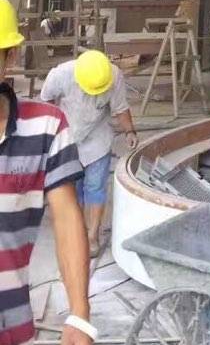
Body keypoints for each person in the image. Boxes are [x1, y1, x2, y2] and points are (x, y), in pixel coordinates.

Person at [0, 0, 95, 345]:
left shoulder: (46, 127)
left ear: (9, 58)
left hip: (10, 340)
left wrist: (79, 314)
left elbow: (67, 218)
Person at [41, 51, 138, 259]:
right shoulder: (60, 75)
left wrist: (130, 131)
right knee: (73, 190)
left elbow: (121, 108)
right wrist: (50, 134)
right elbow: (46, 102)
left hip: (97, 139)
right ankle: (77, 233)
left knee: (95, 187)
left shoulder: (114, 76)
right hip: (67, 137)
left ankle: (93, 235)